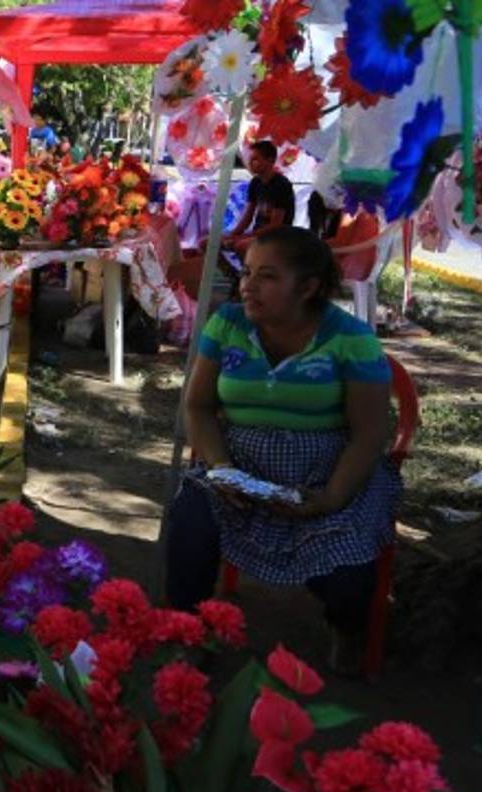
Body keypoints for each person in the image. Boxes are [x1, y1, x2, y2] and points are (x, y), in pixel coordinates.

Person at [165, 227, 400, 675]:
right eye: (248, 272)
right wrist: (221, 469)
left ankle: (346, 627)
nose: (247, 286)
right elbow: (197, 407)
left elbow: (370, 434)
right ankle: (187, 630)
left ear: (308, 286)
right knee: (189, 524)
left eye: (267, 277)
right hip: (234, 466)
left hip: (325, 476)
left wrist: (331, 497)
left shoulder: (351, 339)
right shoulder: (227, 323)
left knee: (349, 569)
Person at [222, 140, 295, 257]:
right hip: (257, 235)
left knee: (240, 246)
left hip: (277, 237)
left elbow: (275, 226)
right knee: (206, 243)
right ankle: (233, 274)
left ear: (270, 160)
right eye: (250, 160)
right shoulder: (255, 182)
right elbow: (247, 217)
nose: (250, 163)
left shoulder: (282, 185)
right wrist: (233, 234)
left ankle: (248, 274)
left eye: (255, 159)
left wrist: (245, 236)